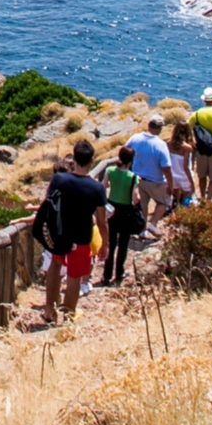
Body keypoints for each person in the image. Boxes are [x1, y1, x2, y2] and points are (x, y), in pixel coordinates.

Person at [36, 139, 111, 323]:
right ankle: (69, 316)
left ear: (74, 158)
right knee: (74, 277)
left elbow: (48, 201)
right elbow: (102, 222)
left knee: (54, 268)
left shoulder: (59, 179)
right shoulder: (97, 188)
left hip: (59, 234)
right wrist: (104, 244)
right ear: (91, 160)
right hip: (82, 237)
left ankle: (49, 312)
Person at [99, 144, 143, 286]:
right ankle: (119, 273)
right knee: (123, 244)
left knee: (110, 242)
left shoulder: (110, 170)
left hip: (112, 208)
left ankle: (106, 275)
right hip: (126, 211)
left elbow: (103, 186)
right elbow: (135, 198)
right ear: (131, 160)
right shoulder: (133, 177)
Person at [125, 116, 175, 235]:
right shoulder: (161, 144)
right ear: (160, 128)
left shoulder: (135, 138)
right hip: (156, 181)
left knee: (142, 204)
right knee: (164, 201)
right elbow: (166, 168)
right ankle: (153, 224)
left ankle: (142, 230)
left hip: (137, 178)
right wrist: (171, 184)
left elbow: (125, 151)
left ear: (148, 124)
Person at [168, 121, 195, 205]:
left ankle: (175, 211)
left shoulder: (168, 144)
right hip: (184, 176)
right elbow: (185, 166)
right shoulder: (187, 147)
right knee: (186, 199)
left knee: (176, 198)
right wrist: (192, 182)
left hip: (173, 175)